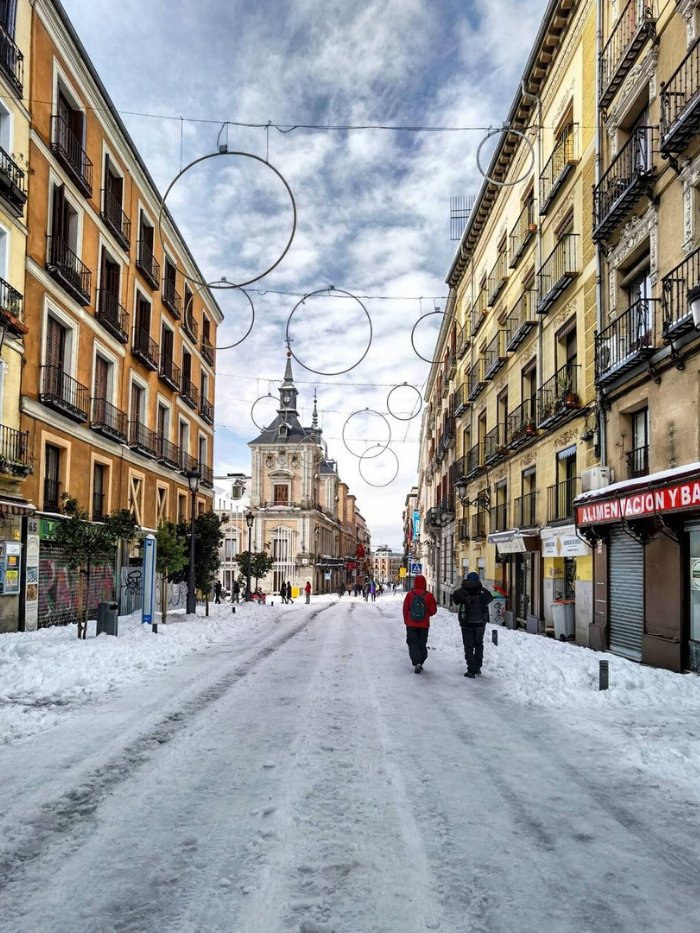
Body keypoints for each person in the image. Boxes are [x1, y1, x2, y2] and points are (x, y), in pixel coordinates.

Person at [452, 572, 493, 678]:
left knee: (468, 646)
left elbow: (455, 599)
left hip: (466, 623)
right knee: (479, 644)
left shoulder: (463, 590)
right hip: (480, 623)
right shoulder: (482, 591)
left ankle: (471, 670)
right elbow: (490, 599)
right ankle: (478, 667)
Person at [402, 574, 437, 673]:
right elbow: (433, 609)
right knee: (422, 643)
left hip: (411, 624)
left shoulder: (410, 594)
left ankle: (416, 662)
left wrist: (406, 620)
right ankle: (421, 661)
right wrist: (426, 615)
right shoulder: (428, 595)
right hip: (424, 624)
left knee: (412, 643)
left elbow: (405, 609)